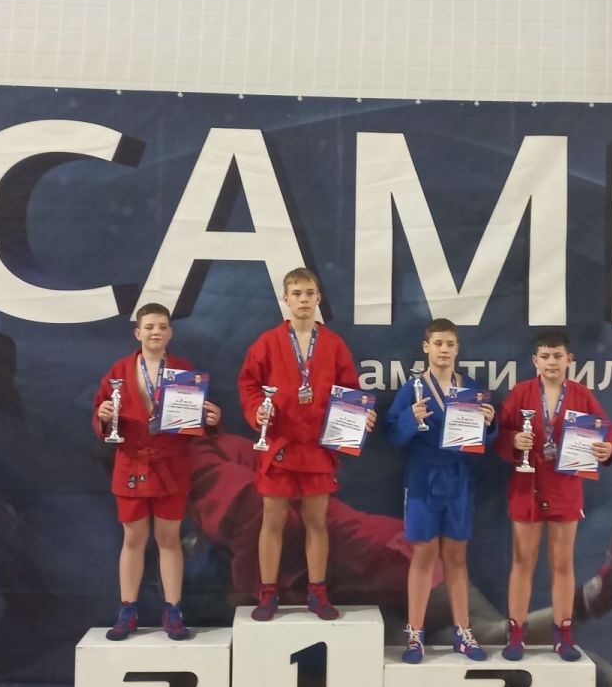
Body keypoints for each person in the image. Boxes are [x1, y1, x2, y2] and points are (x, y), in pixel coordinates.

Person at [238, 267, 376, 622]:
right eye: (297, 293)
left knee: (317, 521)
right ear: (286, 299)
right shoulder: (267, 342)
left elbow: (350, 389)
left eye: (309, 293)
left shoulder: (333, 344)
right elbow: (249, 385)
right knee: (273, 520)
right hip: (280, 443)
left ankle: (318, 592)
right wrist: (257, 412)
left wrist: (359, 416)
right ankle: (268, 593)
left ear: (318, 299)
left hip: (316, 446)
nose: (303, 299)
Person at [93, 303, 222, 641]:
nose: (156, 332)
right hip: (132, 464)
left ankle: (173, 610)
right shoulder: (118, 371)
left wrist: (210, 421)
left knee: (169, 539)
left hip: (170, 465)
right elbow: (102, 415)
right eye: (149, 326)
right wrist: (104, 416)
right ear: (138, 332)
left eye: (162, 326)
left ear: (170, 333)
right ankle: (127, 611)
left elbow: (193, 424)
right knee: (133, 540)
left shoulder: (184, 371)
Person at [496, 329, 612, 661]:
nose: (551, 362)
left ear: (569, 360)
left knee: (562, 562)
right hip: (527, 486)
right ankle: (516, 634)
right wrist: (512, 442)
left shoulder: (582, 395)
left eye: (557, 356)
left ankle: (563, 634)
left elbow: (606, 432)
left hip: (564, 486)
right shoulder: (520, 393)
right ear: (535, 361)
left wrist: (608, 449)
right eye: (545, 356)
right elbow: (500, 433)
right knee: (522, 561)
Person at [385, 318, 497, 664]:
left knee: (456, 558)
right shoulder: (413, 389)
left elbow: (483, 442)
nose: (444, 350)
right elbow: (393, 436)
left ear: (457, 349)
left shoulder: (470, 388)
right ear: (426, 347)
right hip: (423, 479)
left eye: (450, 344)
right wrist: (410, 417)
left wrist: (489, 424)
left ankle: (463, 632)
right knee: (423, 555)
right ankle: (415, 634)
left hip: (458, 479)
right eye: (438, 343)